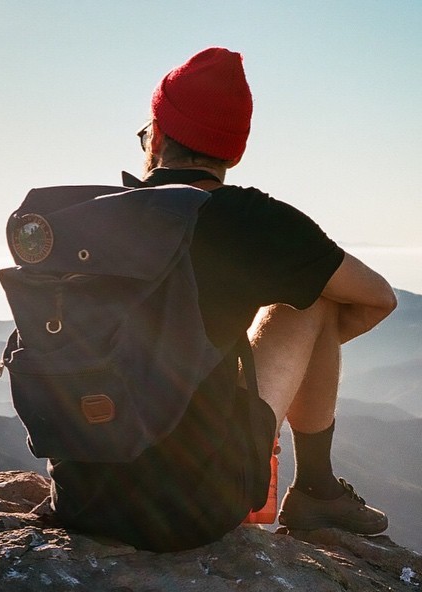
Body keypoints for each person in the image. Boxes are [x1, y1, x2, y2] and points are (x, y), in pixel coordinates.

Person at [48, 47, 397, 552]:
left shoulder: (91, 218)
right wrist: (291, 361)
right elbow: (377, 299)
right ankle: (316, 488)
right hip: (190, 509)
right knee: (317, 299)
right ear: (233, 152)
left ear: (160, 136)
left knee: (312, 291)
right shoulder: (254, 221)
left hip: (78, 500)